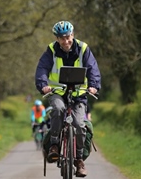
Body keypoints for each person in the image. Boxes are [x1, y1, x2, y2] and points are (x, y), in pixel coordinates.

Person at [35, 21, 101, 177]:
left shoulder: (83, 49)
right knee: (58, 109)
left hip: (79, 94)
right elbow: (42, 69)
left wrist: (93, 85)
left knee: (79, 124)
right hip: (58, 92)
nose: (65, 41)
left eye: (68, 37)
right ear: (57, 39)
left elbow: (93, 69)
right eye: (61, 38)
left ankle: (79, 160)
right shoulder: (51, 50)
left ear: (73, 35)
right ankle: (54, 146)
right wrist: (43, 85)